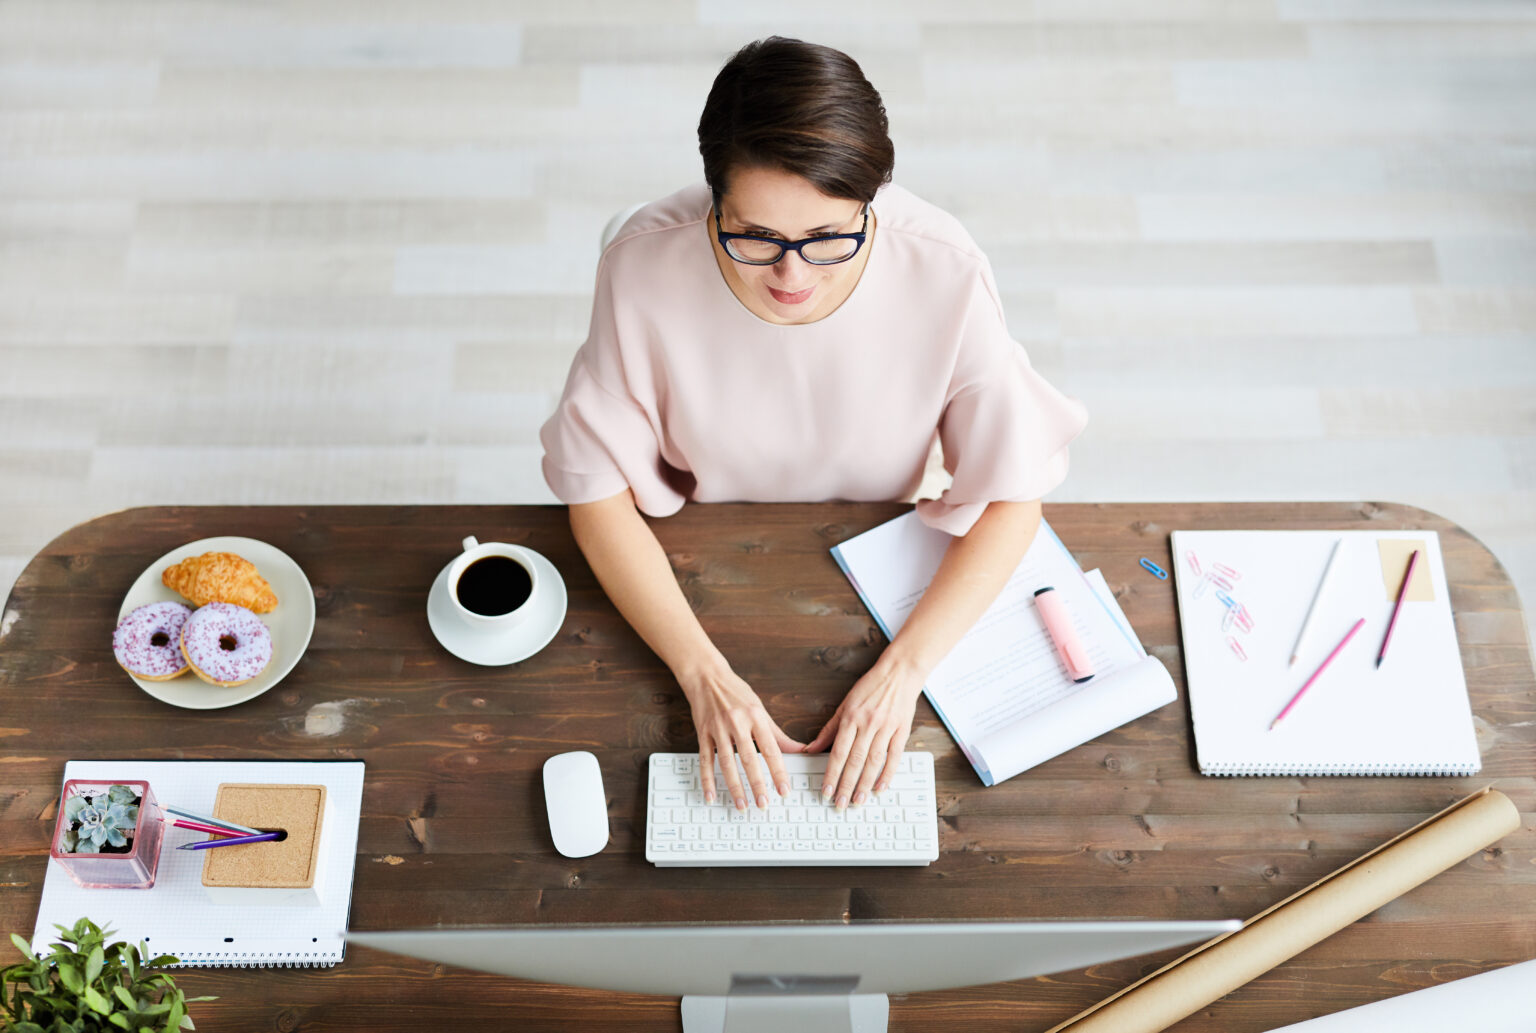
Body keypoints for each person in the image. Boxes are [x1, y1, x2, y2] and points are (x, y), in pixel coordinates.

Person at [540, 37, 1087, 816]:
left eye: (830, 238)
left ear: (872, 201)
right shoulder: (640, 265)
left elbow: (1014, 492)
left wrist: (903, 673)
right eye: (755, 237)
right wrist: (703, 676)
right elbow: (592, 490)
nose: (793, 276)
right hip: (706, 550)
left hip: (880, 552)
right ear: (713, 199)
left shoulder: (944, 268)